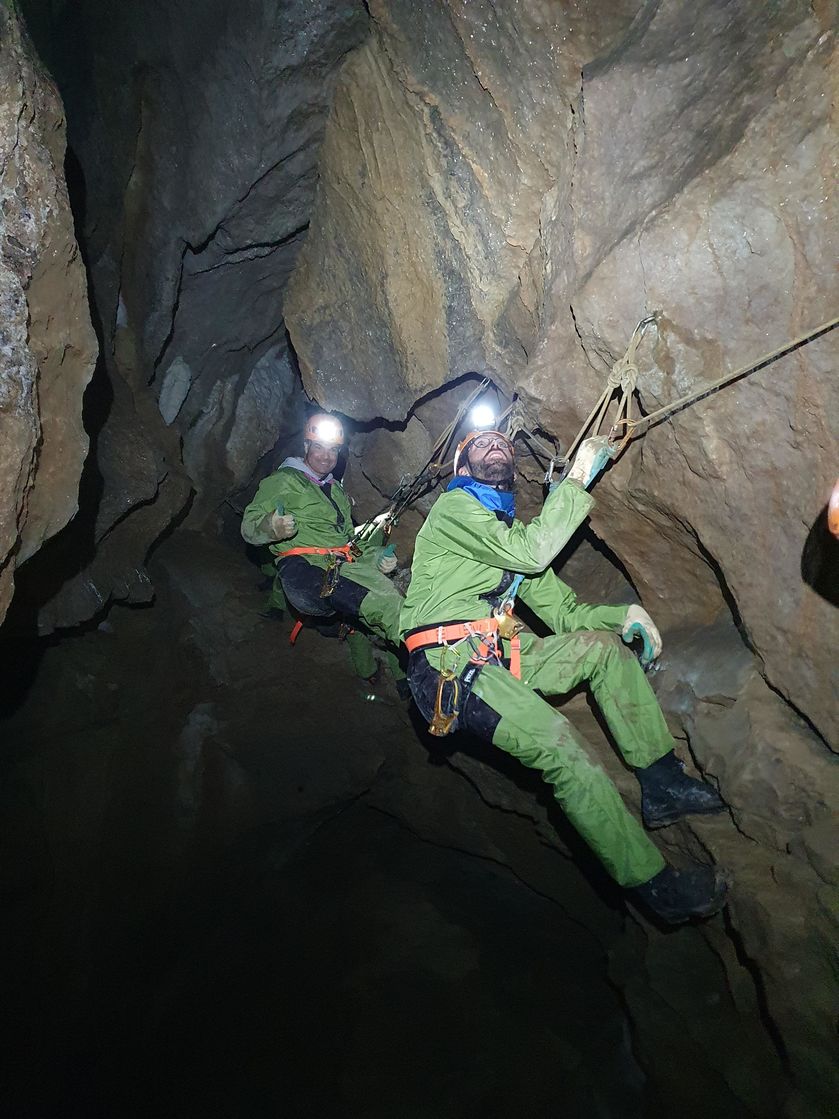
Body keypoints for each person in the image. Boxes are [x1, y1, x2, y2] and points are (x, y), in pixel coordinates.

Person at [399, 427, 727, 923]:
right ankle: (655, 887)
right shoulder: (453, 511)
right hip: (448, 665)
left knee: (600, 650)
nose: (498, 446)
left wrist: (623, 617)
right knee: (560, 747)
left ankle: (663, 784)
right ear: (462, 468)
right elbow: (534, 551)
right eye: (483, 444)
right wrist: (577, 478)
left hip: (497, 656)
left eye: (504, 444)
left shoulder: (507, 538)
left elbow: (565, 612)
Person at [242, 412, 406, 690]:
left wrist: (378, 558)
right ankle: (434, 654)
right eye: (318, 447)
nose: (325, 456)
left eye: (333, 450)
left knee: (389, 601)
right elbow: (248, 527)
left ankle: (407, 669)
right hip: (305, 571)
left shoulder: (336, 491)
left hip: (339, 566)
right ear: (306, 447)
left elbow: (347, 543)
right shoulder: (284, 480)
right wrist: (271, 527)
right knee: (385, 606)